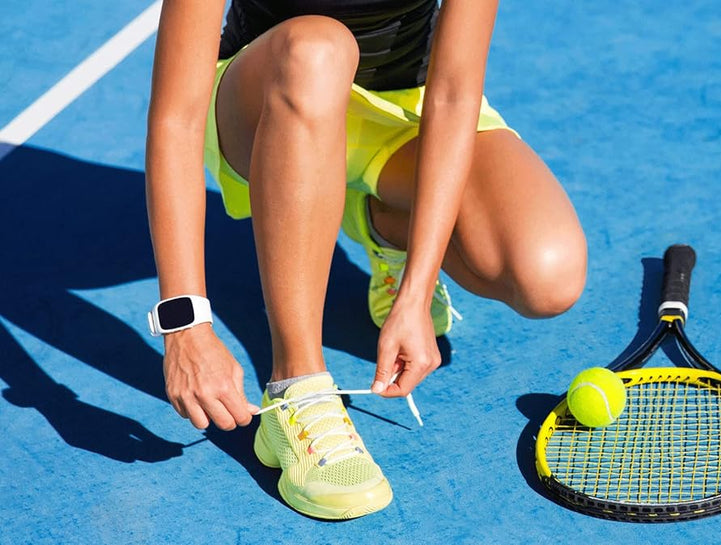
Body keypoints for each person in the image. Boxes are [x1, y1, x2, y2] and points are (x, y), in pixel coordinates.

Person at [145, 0, 587, 519]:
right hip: (267, 99)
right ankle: (297, 384)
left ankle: (372, 220)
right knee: (319, 49)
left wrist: (415, 292)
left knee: (545, 277)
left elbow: (452, 93)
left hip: (405, 110)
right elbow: (177, 116)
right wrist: (186, 325)